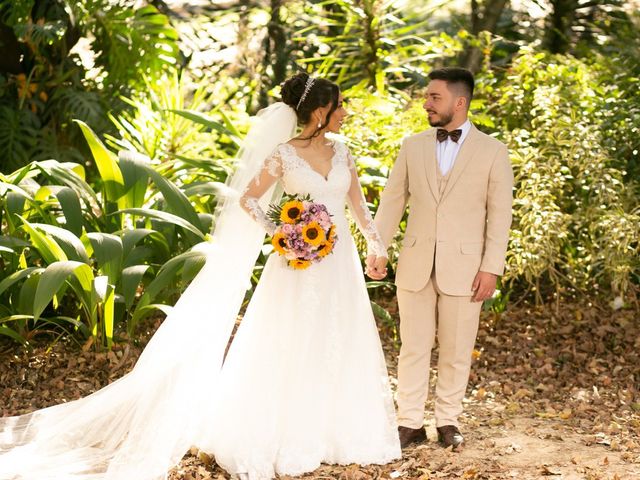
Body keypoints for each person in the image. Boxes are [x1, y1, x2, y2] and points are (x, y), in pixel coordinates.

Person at [0, 72, 401, 479]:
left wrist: (377, 246)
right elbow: (248, 198)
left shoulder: (343, 153)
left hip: (339, 262)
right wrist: (284, 234)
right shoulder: (284, 154)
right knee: (292, 337)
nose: (346, 113)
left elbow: (359, 210)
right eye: (340, 105)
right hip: (297, 264)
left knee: (338, 335)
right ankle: (289, 431)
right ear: (320, 111)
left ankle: (338, 429)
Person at [368, 67, 513, 450]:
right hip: (416, 262)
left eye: (435, 97)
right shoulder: (411, 146)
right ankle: (409, 422)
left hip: (467, 269)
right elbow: (392, 201)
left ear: (459, 102)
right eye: (427, 96)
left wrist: (491, 267)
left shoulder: (493, 152)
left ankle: (448, 420)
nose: (426, 102)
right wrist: (377, 248)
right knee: (412, 347)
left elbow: (500, 215)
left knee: (456, 349)